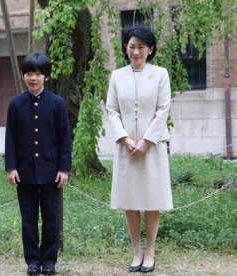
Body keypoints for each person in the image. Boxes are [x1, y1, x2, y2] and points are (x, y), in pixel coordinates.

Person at [105, 26, 172, 273]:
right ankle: (136, 252)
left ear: (150, 49)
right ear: (125, 48)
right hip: (127, 148)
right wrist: (123, 138)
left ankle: (151, 251)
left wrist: (146, 141)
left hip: (151, 148)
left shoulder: (160, 74)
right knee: (130, 201)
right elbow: (112, 110)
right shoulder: (117, 76)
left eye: (141, 47)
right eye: (132, 47)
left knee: (152, 199)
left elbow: (163, 109)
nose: (136, 52)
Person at [5, 53, 71, 276]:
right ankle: (33, 260)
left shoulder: (57, 103)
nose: (33, 78)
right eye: (29, 74)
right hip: (24, 173)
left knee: (51, 218)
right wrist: (11, 167)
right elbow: (10, 138)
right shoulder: (15, 104)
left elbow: (65, 138)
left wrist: (64, 169)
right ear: (23, 76)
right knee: (29, 219)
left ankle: (50, 261)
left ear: (45, 76)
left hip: (51, 172)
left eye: (38, 74)